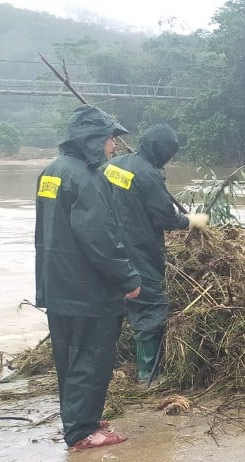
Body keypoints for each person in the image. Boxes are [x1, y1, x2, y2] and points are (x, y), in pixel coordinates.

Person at [35, 105, 141, 450]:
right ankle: (84, 431)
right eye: (111, 138)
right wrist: (128, 277)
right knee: (92, 357)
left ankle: (79, 416)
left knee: (68, 356)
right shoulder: (88, 178)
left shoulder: (52, 171)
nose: (114, 146)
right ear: (93, 140)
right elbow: (100, 237)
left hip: (57, 285)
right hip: (88, 289)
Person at [104, 124, 208, 384]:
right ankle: (148, 377)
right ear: (162, 153)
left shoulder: (114, 164)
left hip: (108, 250)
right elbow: (165, 218)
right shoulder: (148, 175)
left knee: (112, 311)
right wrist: (192, 221)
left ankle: (102, 371)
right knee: (151, 309)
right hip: (139, 252)